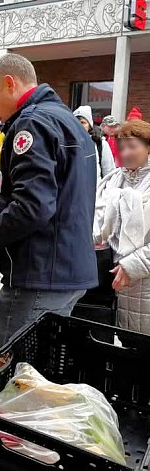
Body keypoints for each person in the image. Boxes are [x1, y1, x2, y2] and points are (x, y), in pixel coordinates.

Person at [0, 53, 98, 347]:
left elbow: (32, 208)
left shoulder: (32, 124)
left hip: (40, 274)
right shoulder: (66, 120)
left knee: (11, 374)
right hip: (67, 268)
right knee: (40, 372)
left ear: (9, 84)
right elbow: (46, 196)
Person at [93, 120, 150, 335]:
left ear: (148, 147)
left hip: (143, 278)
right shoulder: (114, 179)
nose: (125, 153)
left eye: (132, 146)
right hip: (114, 278)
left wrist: (131, 265)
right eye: (122, 147)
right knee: (123, 345)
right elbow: (98, 222)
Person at [73, 105, 115, 179]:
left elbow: (109, 173)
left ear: (90, 126)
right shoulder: (67, 143)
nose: (79, 125)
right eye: (76, 121)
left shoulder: (101, 144)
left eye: (83, 122)